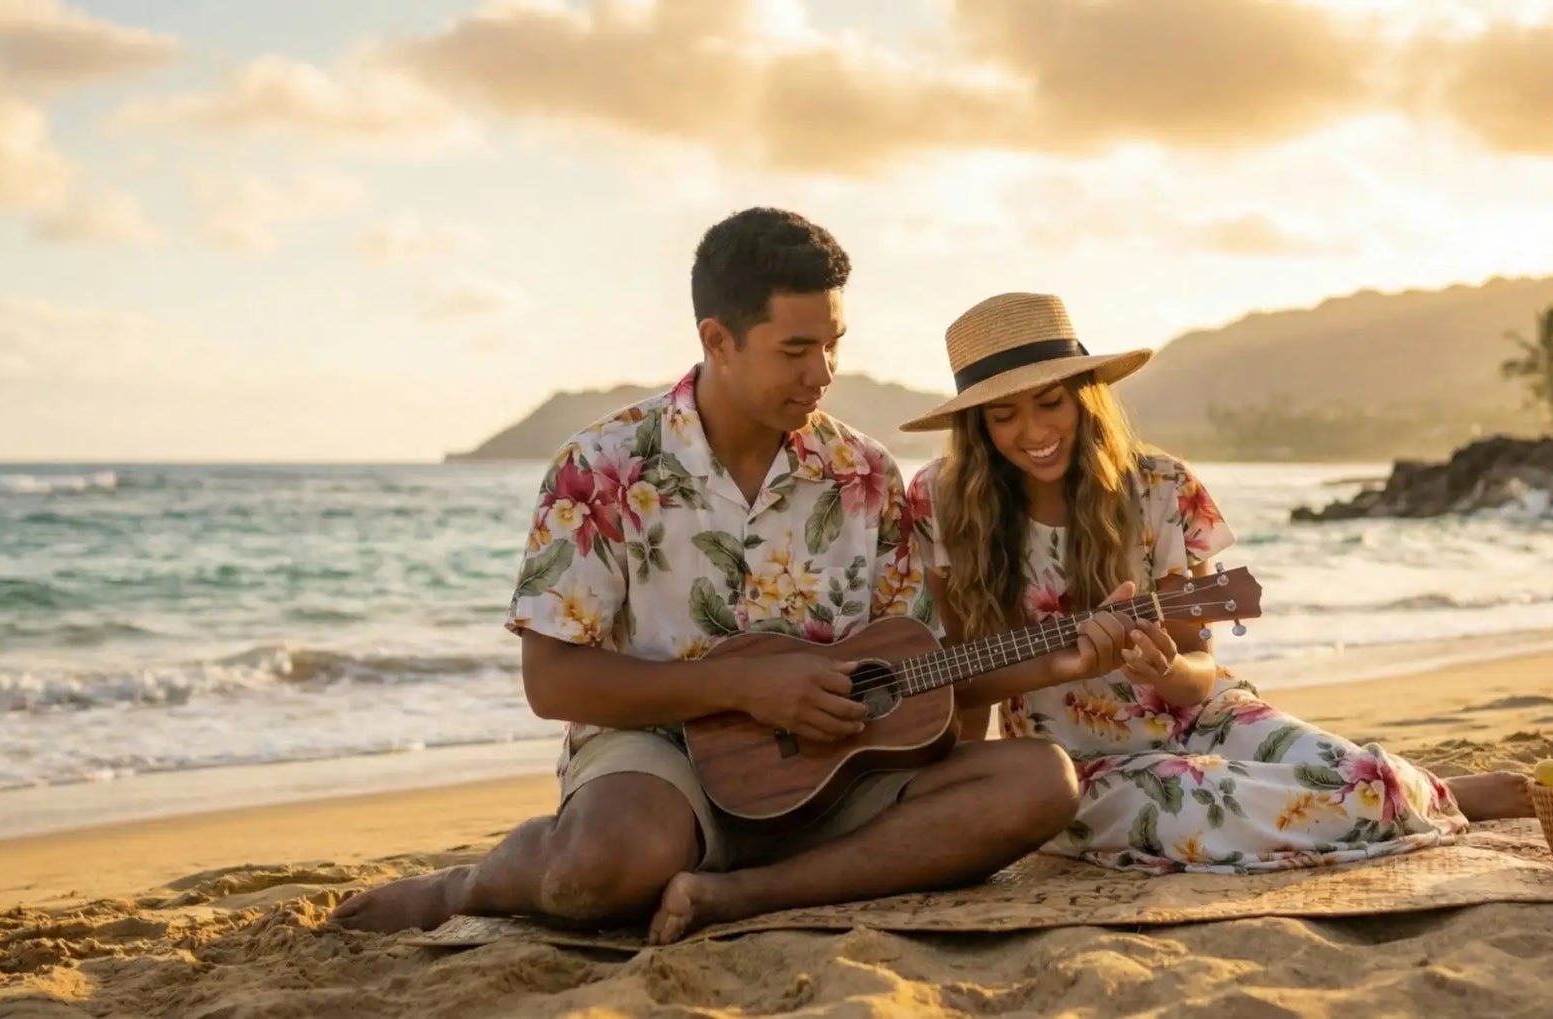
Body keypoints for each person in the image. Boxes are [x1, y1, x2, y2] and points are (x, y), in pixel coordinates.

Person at [330, 210, 1092, 946]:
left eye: (833, 345)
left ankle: (739, 894)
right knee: (599, 870)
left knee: (1042, 784)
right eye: (795, 350)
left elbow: (911, 660)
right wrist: (741, 688)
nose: (822, 372)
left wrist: (1079, 651)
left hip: (834, 775)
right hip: (664, 762)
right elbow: (552, 681)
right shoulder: (602, 465)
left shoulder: (865, 472)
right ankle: (461, 887)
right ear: (717, 340)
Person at [898, 292, 1534, 877]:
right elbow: (958, 680)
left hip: (1201, 717)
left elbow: (1200, 668)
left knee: (1362, 780)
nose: (1033, 432)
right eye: (1004, 415)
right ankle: (1433, 793)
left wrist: (1166, 670)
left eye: (1050, 403)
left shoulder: (1161, 487)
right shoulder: (942, 501)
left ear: (1084, 395)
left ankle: (1419, 790)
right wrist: (1061, 669)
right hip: (1073, 764)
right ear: (978, 425)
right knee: (1205, 797)